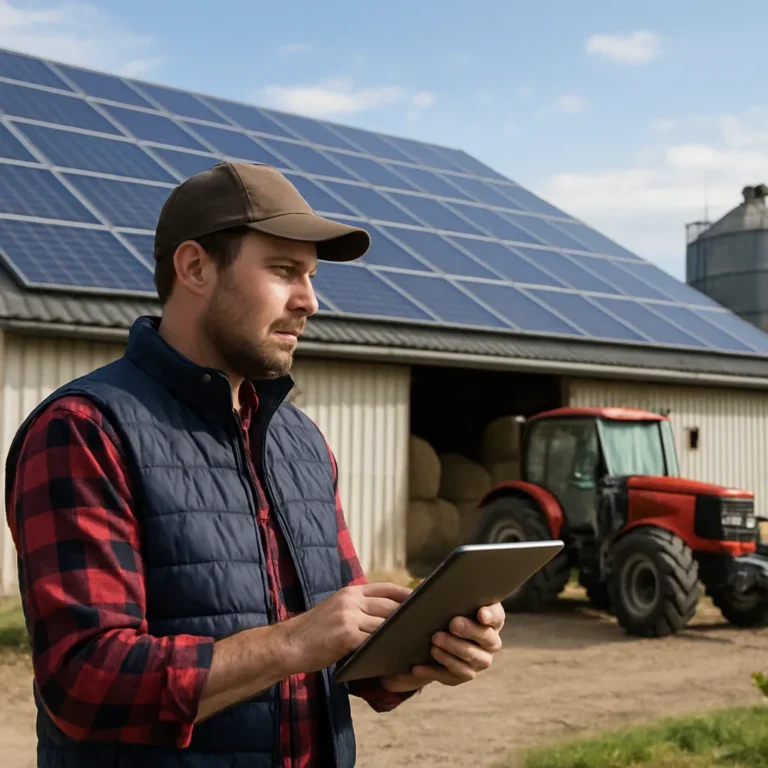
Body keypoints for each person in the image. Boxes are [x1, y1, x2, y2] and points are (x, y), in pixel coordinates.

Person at [5, 161, 505, 768]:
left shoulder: (301, 442)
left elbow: (340, 655)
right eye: (284, 271)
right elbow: (84, 682)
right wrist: (292, 642)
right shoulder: (86, 431)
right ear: (195, 268)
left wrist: (420, 655)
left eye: (312, 275)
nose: (310, 300)